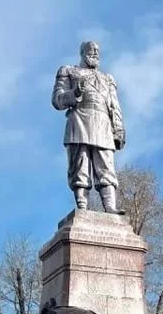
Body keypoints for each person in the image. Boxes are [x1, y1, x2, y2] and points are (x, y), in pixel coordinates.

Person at [52, 40, 126, 214]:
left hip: (103, 125)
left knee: (106, 166)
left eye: (98, 51)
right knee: (80, 165)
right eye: (91, 49)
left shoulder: (107, 78)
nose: (95, 53)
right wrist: (75, 92)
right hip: (79, 121)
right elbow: (57, 100)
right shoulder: (68, 71)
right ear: (82, 52)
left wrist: (119, 129)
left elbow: (115, 107)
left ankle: (110, 207)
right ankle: (82, 208)